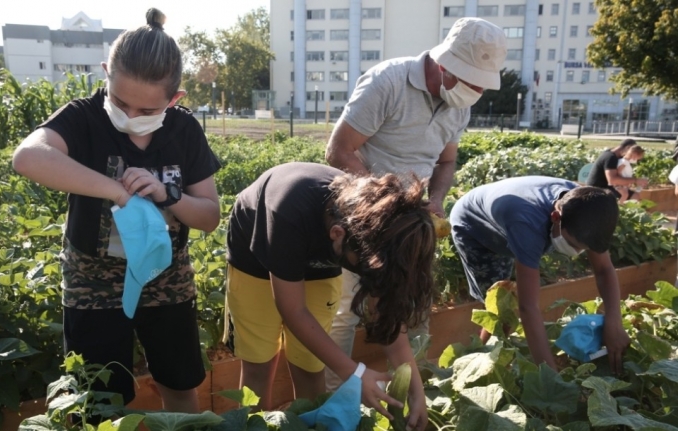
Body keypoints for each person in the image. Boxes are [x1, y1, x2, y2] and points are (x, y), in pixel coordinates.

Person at [12, 9, 221, 413]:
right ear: (107, 74)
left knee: (179, 383)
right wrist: (117, 191)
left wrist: (167, 194)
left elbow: (210, 216)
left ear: (174, 100)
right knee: (100, 398)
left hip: (166, 275)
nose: (129, 119)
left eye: (146, 113)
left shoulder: (184, 130)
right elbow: (27, 158)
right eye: (121, 102)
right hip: (94, 280)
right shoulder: (83, 118)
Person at [324, 17, 507, 390]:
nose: (475, 91)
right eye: (470, 81)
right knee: (344, 310)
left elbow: (446, 161)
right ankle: (332, 395)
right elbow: (339, 151)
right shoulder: (388, 81)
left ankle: (411, 391)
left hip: (412, 221)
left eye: (480, 85)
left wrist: (436, 199)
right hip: (361, 215)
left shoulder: (460, 105)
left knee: (415, 304)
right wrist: (383, 201)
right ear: (446, 65)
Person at [224, 162, 436, 431]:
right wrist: (355, 374)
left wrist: (416, 394)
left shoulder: (378, 232)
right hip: (255, 257)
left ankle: (309, 425)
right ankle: (252, 425)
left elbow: (387, 322)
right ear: (337, 235)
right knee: (259, 363)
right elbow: (292, 310)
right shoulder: (289, 209)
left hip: (319, 259)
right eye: (364, 269)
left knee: (311, 364)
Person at [449, 176, 630, 373]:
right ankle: (476, 359)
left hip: (512, 215)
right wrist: (551, 378)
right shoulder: (526, 225)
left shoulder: (589, 211)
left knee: (506, 301)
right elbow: (528, 307)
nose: (576, 253)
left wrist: (615, 321)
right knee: (497, 304)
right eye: (573, 245)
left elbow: (604, 269)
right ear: (555, 218)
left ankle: (491, 351)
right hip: (475, 226)